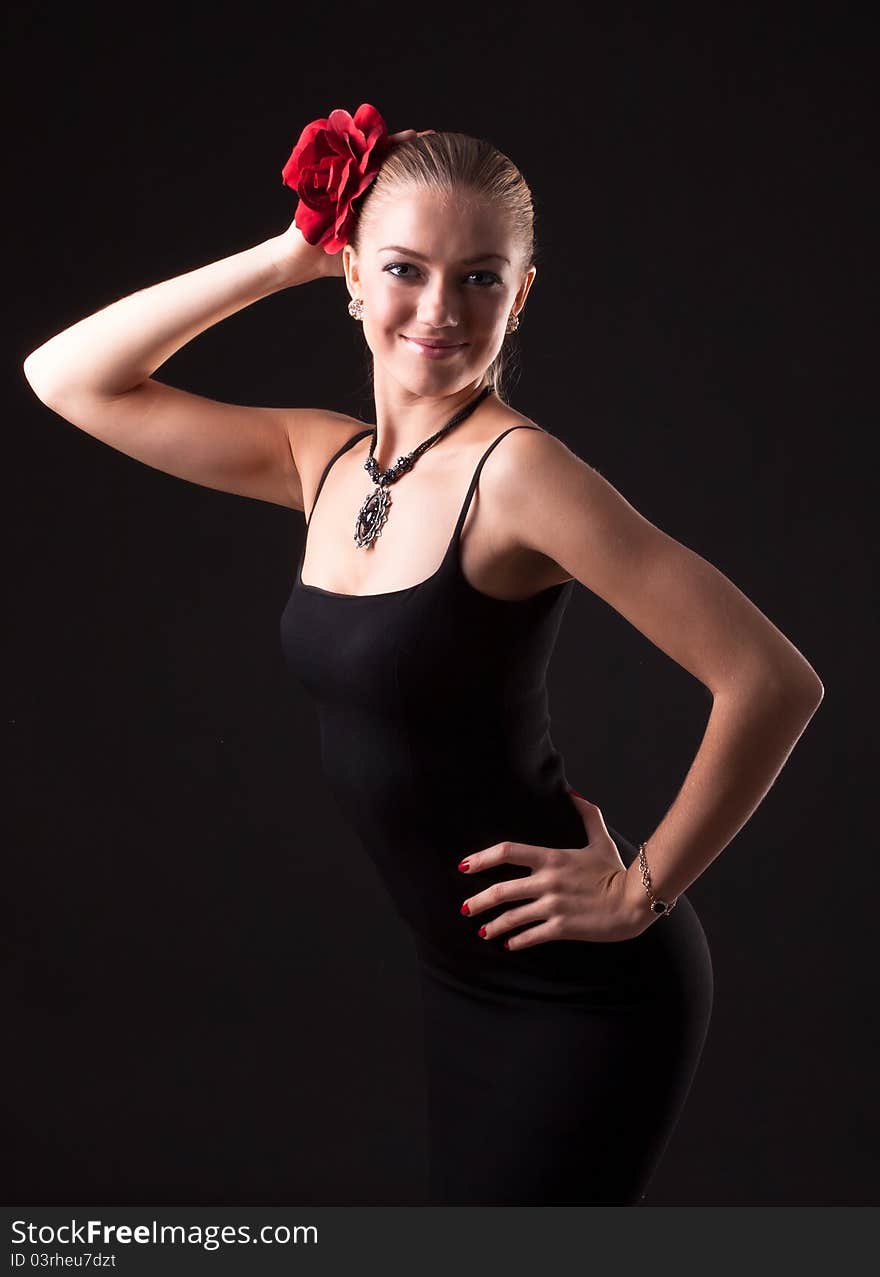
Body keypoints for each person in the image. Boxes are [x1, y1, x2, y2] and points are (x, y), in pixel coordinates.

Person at [22, 106, 824, 1206]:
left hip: (583, 991)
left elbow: (771, 678)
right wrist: (284, 256)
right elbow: (70, 377)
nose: (440, 310)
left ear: (522, 293)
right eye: (403, 268)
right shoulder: (324, 459)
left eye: (481, 278)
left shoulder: (520, 476)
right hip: (460, 976)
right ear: (350, 273)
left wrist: (645, 887)